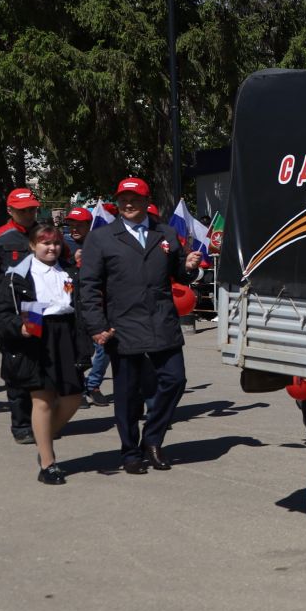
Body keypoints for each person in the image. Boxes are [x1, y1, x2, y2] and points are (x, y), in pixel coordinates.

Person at [76, 177, 204, 474]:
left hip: (161, 320)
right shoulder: (102, 237)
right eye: (123, 199)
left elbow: (180, 276)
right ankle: (130, 451)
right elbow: (89, 286)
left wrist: (189, 268)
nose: (128, 204)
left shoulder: (167, 233)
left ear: (147, 202)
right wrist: (96, 325)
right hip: (123, 325)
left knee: (175, 380)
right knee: (127, 393)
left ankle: (153, 439)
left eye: (134, 199)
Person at [0, 225, 89, 484]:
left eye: (54, 243)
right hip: (35, 333)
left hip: (65, 334)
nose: (51, 247)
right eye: (44, 243)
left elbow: (80, 307)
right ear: (32, 246)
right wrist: (19, 327)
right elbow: (0, 314)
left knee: (73, 398)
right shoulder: (17, 275)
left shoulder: (69, 271)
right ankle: (47, 463)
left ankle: (43, 441)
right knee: (41, 400)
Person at [0, 187, 43, 444]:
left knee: (43, 369)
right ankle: (22, 425)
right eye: (23, 210)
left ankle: (42, 421)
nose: (28, 214)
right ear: (10, 210)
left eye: (32, 209)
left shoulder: (46, 234)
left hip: (40, 312)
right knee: (17, 370)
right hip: (11, 314)